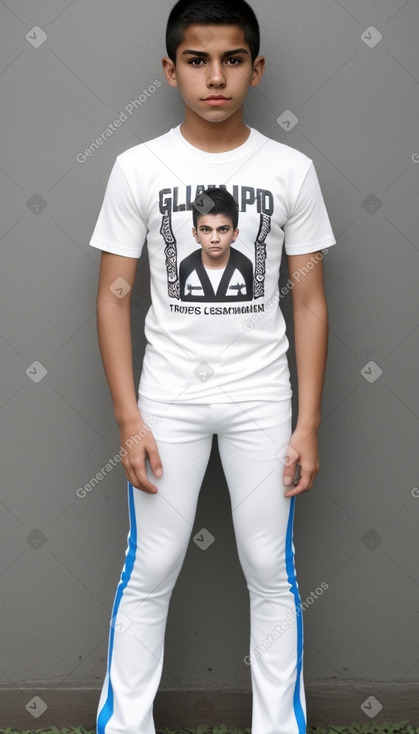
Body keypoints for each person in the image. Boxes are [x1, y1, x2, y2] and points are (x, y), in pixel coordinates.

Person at [89, 1, 336, 733]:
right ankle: (124, 727)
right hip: (167, 397)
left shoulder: (291, 170)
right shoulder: (137, 167)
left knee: (269, 568)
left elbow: (311, 303)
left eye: (232, 59)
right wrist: (129, 417)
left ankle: (277, 727)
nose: (215, 76)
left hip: (263, 397)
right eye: (197, 60)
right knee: (152, 568)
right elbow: (112, 299)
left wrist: (308, 422)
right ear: (170, 71)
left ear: (256, 70)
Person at [180, 187, 254, 301]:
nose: (215, 239)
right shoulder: (185, 266)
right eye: (206, 230)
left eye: (223, 229)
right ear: (195, 234)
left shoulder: (245, 266)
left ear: (235, 233)